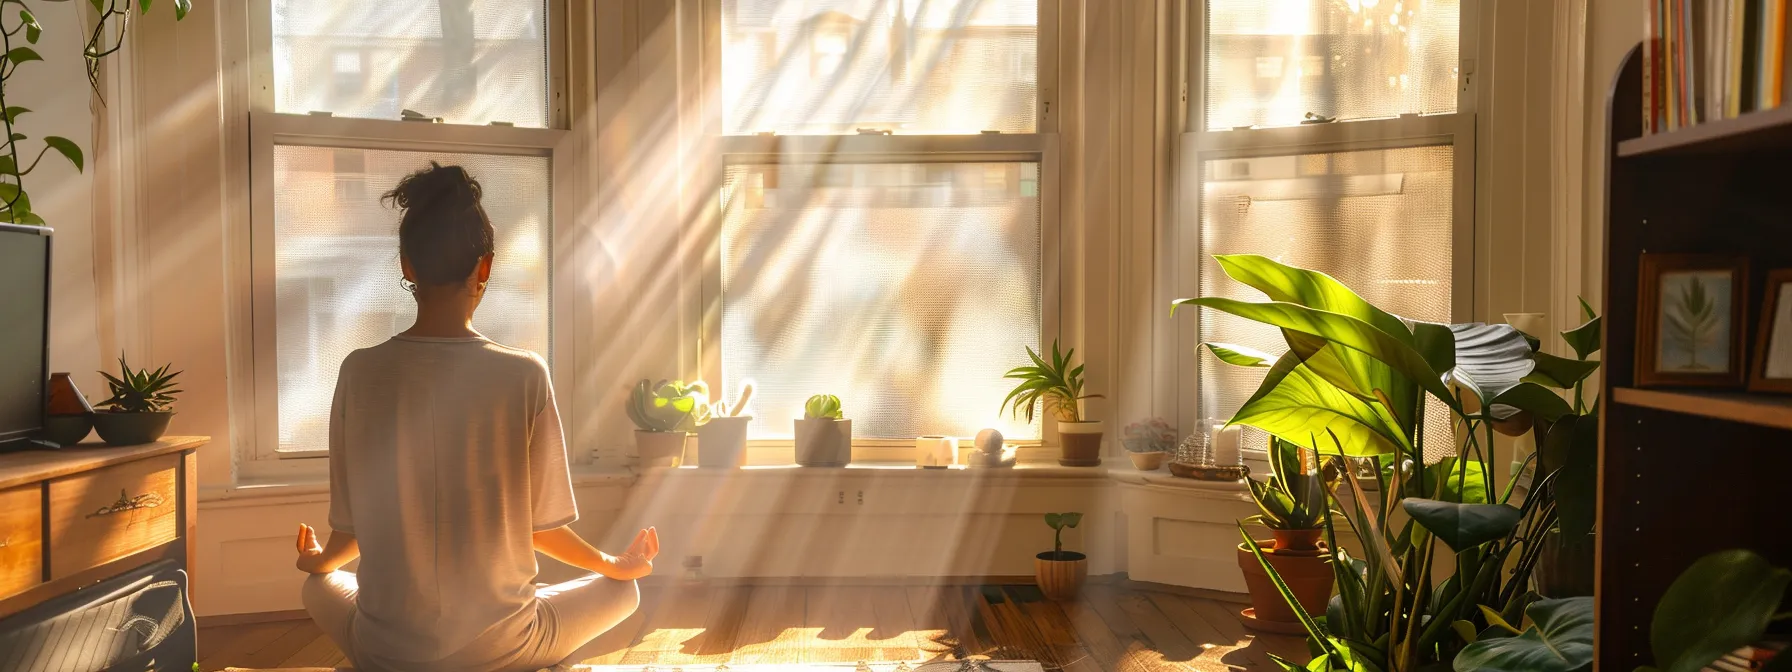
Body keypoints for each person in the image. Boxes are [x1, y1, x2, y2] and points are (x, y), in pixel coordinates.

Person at [293, 162, 656, 672]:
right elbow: (541, 529)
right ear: (483, 267)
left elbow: (350, 530)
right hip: (504, 649)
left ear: (408, 266)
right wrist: (616, 565)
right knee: (625, 594)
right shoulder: (525, 374)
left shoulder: (359, 371)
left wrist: (317, 562)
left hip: (387, 652)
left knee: (318, 587)